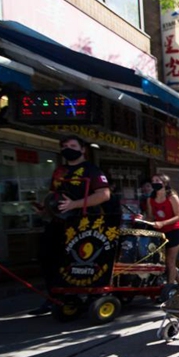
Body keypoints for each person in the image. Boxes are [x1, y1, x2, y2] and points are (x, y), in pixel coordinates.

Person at [32, 135, 111, 315]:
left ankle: (92, 295)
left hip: (84, 222)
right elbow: (54, 195)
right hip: (59, 221)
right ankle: (54, 297)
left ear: (82, 149)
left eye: (73, 145)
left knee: (86, 259)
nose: (68, 148)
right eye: (65, 145)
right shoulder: (59, 171)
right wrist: (45, 209)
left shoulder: (92, 170)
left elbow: (104, 194)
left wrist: (74, 204)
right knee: (47, 256)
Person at [146, 173, 179, 286]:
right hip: (160, 233)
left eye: (157, 180)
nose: (154, 183)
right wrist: (143, 219)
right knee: (166, 262)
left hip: (174, 230)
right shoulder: (151, 199)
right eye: (153, 180)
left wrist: (163, 223)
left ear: (165, 183)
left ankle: (169, 287)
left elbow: (178, 216)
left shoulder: (172, 197)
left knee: (170, 261)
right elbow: (150, 216)